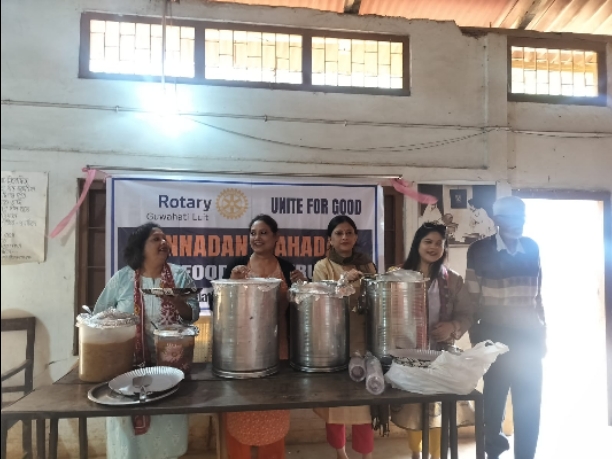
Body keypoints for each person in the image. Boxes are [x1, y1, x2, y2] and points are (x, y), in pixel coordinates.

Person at [94, 223, 199, 459]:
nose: (164, 243)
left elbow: (193, 314)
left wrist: (176, 300)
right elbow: (99, 315)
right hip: (127, 370)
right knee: (129, 443)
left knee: (166, 434)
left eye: (164, 239)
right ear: (140, 247)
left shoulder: (179, 276)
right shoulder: (122, 278)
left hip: (170, 369)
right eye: (155, 239)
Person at [222, 214, 307, 459]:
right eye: (252, 233)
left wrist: (302, 287)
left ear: (275, 237)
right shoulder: (237, 267)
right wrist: (232, 284)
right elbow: (223, 308)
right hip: (242, 352)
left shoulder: (288, 268)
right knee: (240, 412)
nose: (257, 238)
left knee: (274, 411)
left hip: (278, 349)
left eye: (263, 233)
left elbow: (300, 311)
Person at [466, 196, 545, 459]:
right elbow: (471, 297)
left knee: (529, 406)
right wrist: (478, 341)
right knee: (493, 403)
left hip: (528, 339)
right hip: (495, 337)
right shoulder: (479, 250)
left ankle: (526, 455)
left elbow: (537, 296)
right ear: (496, 220)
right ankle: (493, 453)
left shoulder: (531, 247)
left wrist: (542, 335)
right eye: (511, 217)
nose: (518, 222)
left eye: (522, 217)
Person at [391, 223, 474, 459]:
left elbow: (467, 313)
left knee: (439, 409)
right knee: (414, 409)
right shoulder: (397, 275)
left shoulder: (453, 280)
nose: (433, 247)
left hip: (441, 354)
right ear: (417, 244)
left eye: (439, 243)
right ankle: (416, 453)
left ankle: (437, 456)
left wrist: (452, 327)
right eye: (428, 241)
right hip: (408, 355)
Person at [312, 215, 377, 459]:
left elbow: (375, 297)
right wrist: (341, 282)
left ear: (356, 237)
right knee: (335, 404)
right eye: (338, 233)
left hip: (364, 339)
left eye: (349, 232)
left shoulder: (367, 265)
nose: (344, 237)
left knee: (364, 405)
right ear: (330, 239)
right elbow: (319, 300)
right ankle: (341, 453)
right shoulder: (322, 267)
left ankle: (366, 454)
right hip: (333, 342)